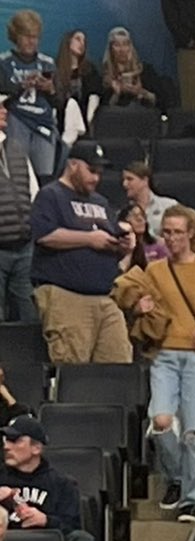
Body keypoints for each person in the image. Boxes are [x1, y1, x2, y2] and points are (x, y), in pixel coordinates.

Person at [136, 203, 195, 523]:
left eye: (178, 232)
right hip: (164, 354)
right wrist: (142, 306)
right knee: (161, 421)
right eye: (167, 232)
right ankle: (177, 477)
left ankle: (193, 498)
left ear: (192, 233)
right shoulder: (156, 270)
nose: (172, 238)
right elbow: (147, 309)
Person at [29, 139, 133, 367]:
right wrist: (89, 239)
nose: (96, 178)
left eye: (99, 172)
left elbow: (110, 240)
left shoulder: (101, 202)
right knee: (73, 370)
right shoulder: (51, 195)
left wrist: (123, 246)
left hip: (106, 297)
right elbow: (45, 236)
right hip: (67, 297)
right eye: (91, 170)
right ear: (73, 165)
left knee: (118, 366)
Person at [0, 12, 59, 183]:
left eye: (35, 37)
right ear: (15, 36)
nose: (31, 41)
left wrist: (50, 89)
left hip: (43, 124)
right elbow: (2, 96)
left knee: (45, 177)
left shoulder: (47, 63)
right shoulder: (3, 62)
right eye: (26, 36)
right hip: (16, 121)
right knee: (18, 174)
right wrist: (21, 87)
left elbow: (59, 102)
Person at [0, 96, 36, 328]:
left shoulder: (15, 148)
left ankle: (30, 365)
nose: (5, 111)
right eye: (0, 107)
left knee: (30, 315)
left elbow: (33, 192)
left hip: (24, 246)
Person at [100, 27, 162, 108]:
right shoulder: (105, 74)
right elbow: (103, 108)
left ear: (130, 47)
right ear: (111, 49)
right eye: (117, 45)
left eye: (125, 44)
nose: (122, 49)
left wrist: (140, 92)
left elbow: (159, 101)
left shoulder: (145, 70)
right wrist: (117, 93)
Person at [53, 28, 100, 133]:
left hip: (83, 120)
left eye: (84, 41)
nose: (82, 43)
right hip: (60, 120)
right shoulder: (55, 68)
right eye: (78, 39)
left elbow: (94, 94)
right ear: (68, 41)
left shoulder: (89, 70)